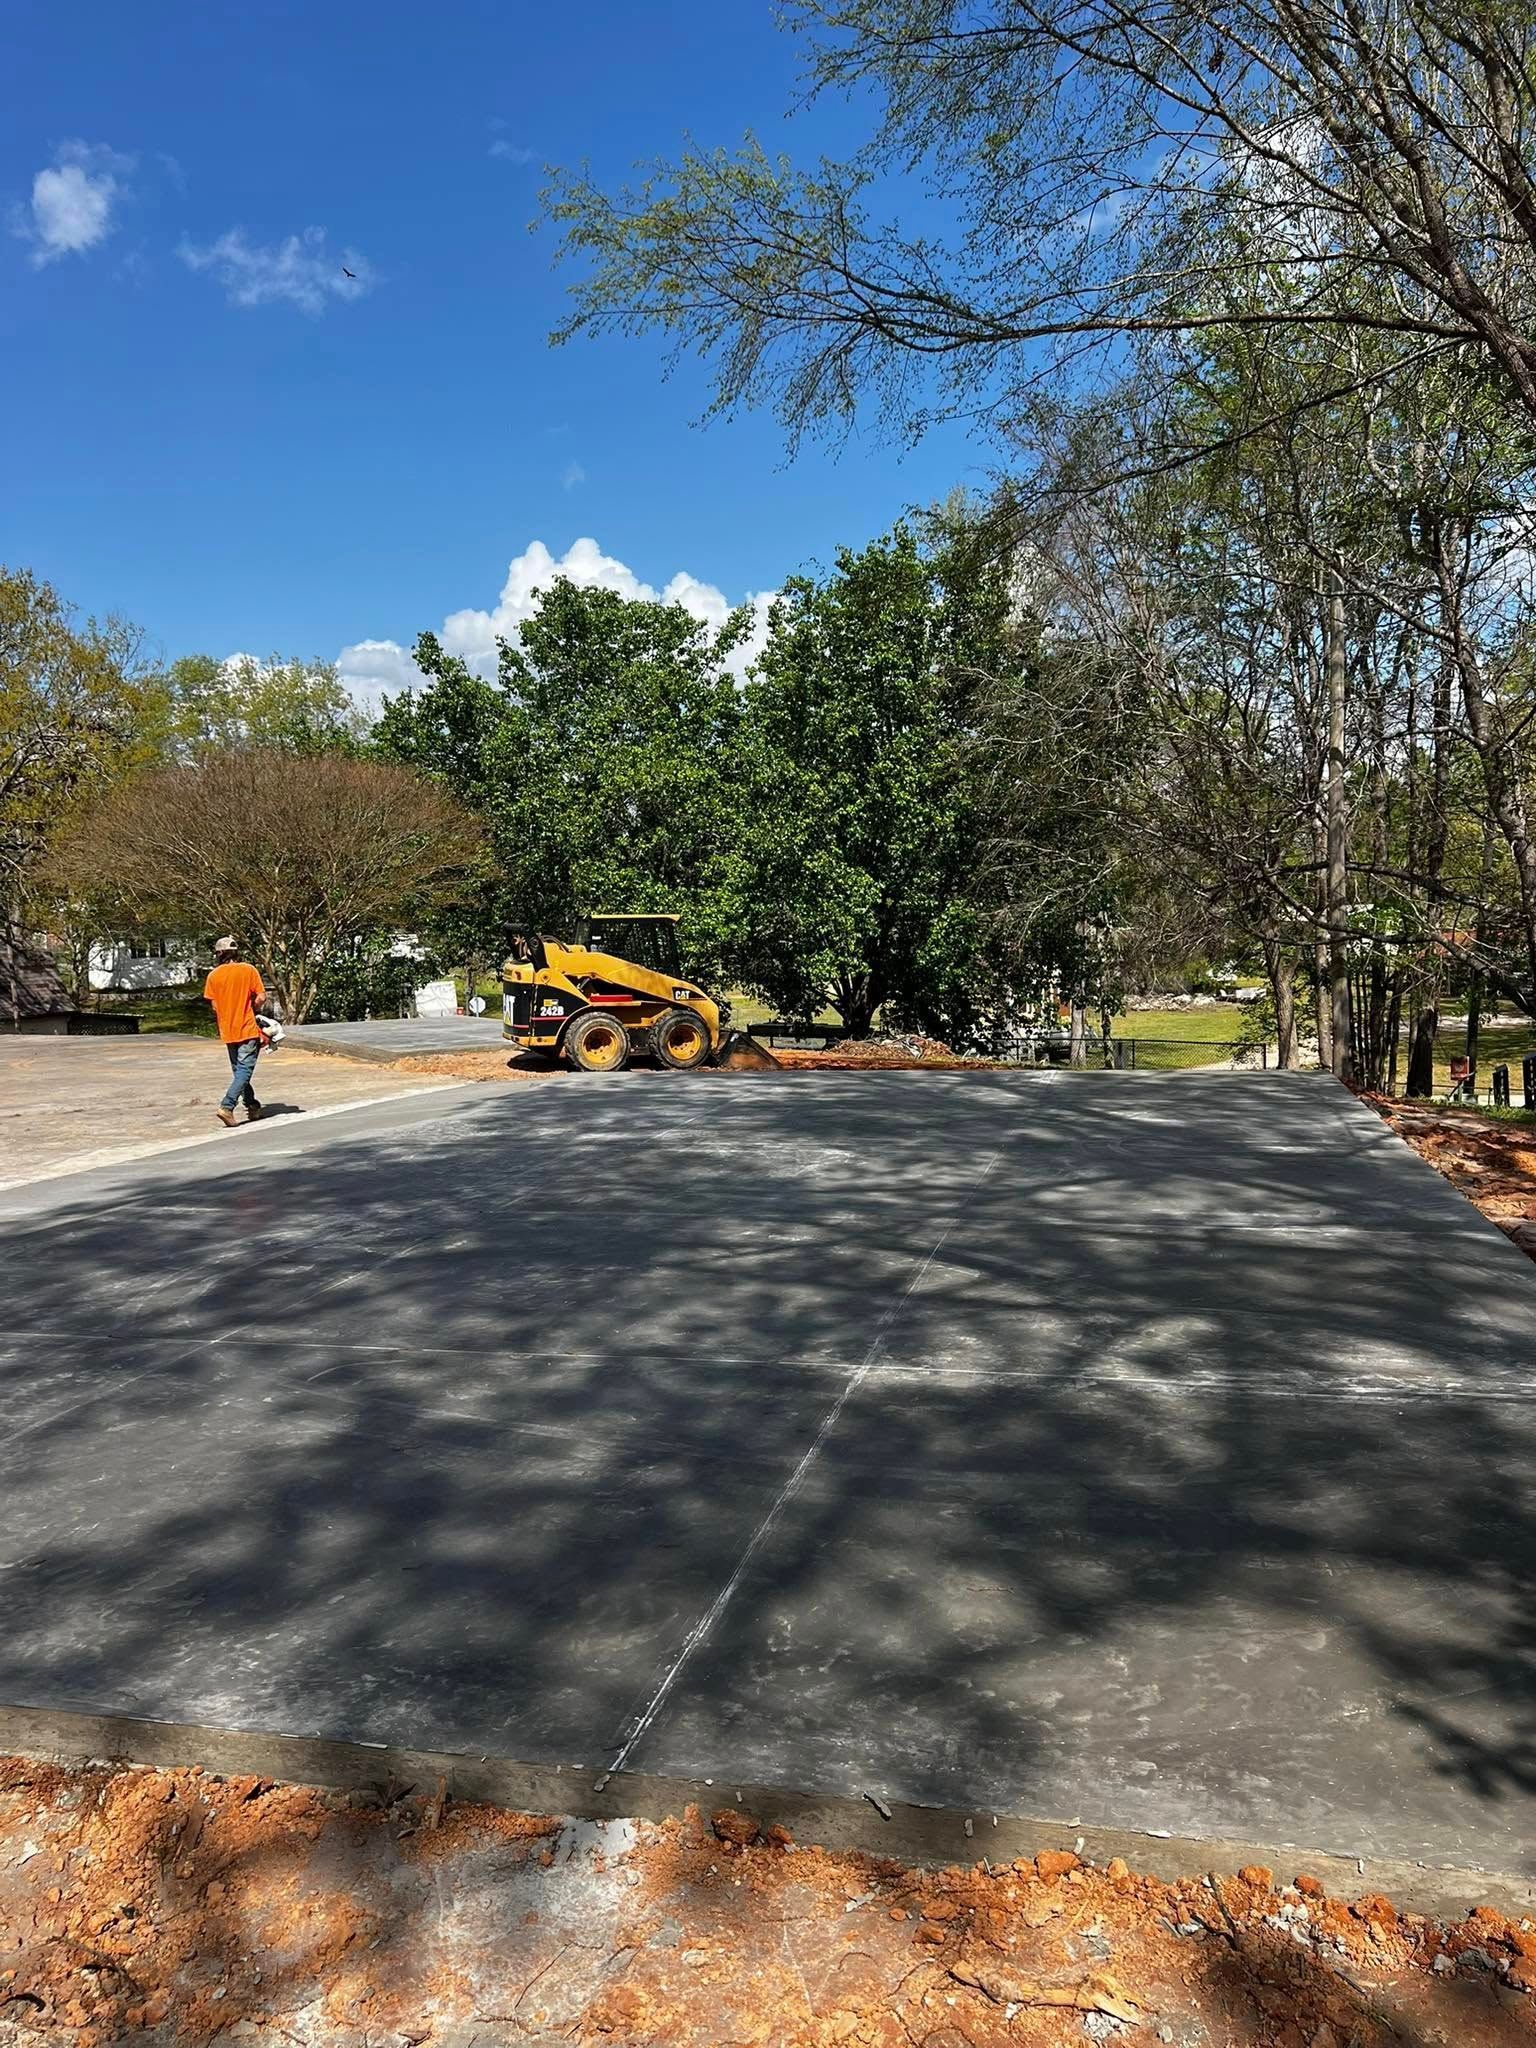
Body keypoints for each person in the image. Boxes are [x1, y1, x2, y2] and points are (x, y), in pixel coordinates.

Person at [203, 936, 268, 1127]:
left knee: (239, 1071)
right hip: (247, 1027)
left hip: (227, 1030)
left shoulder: (213, 976)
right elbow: (262, 998)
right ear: (235, 952)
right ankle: (227, 1106)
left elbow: (214, 1005)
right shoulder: (248, 970)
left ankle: (252, 1104)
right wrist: (253, 1009)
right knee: (244, 1071)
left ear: (219, 954)